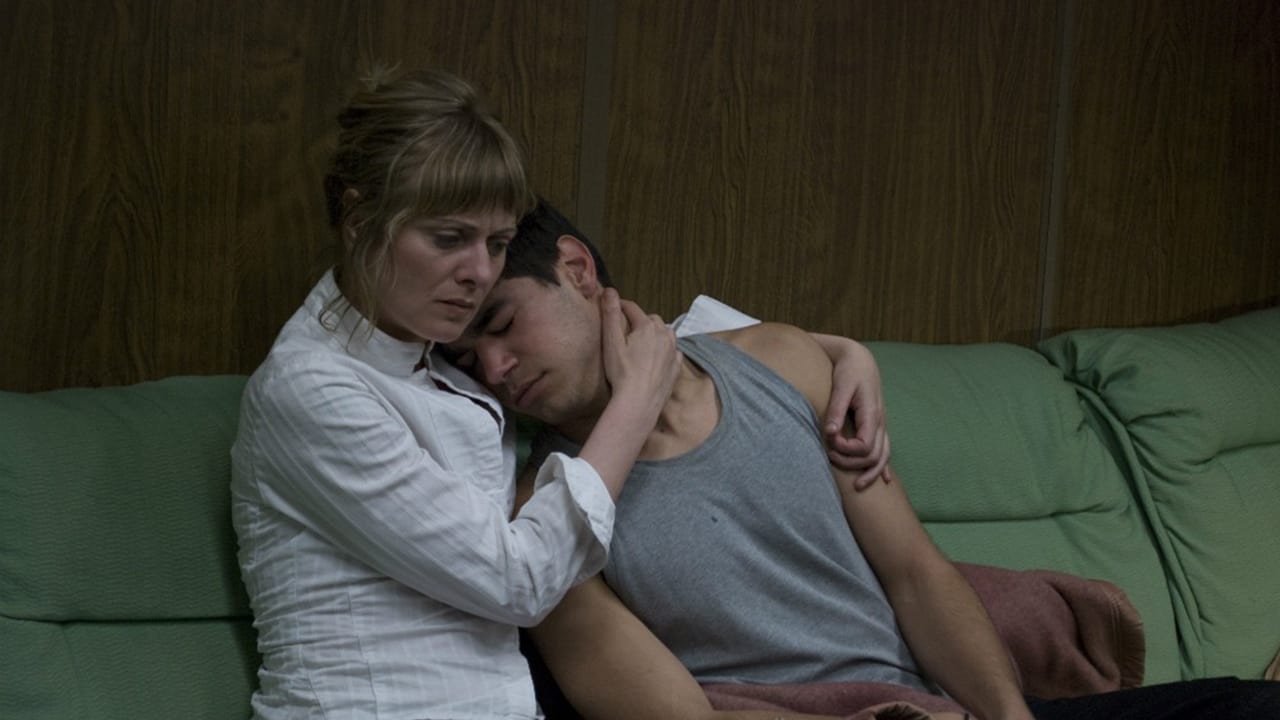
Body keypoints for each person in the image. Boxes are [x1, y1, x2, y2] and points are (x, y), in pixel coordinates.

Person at [230, 68, 891, 719]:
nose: (478, 273)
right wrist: (634, 406)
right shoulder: (312, 388)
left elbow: (634, 333)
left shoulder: (432, 346)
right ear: (357, 218)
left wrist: (837, 352)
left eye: (497, 243)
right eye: (449, 239)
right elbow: (518, 580)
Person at [447, 210, 1280, 720]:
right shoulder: (545, 531)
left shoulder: (781, 362)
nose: (492, 368)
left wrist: (1004, 716)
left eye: (500, 324)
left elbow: (914, 573)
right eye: (468, 355)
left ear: (577, 270)